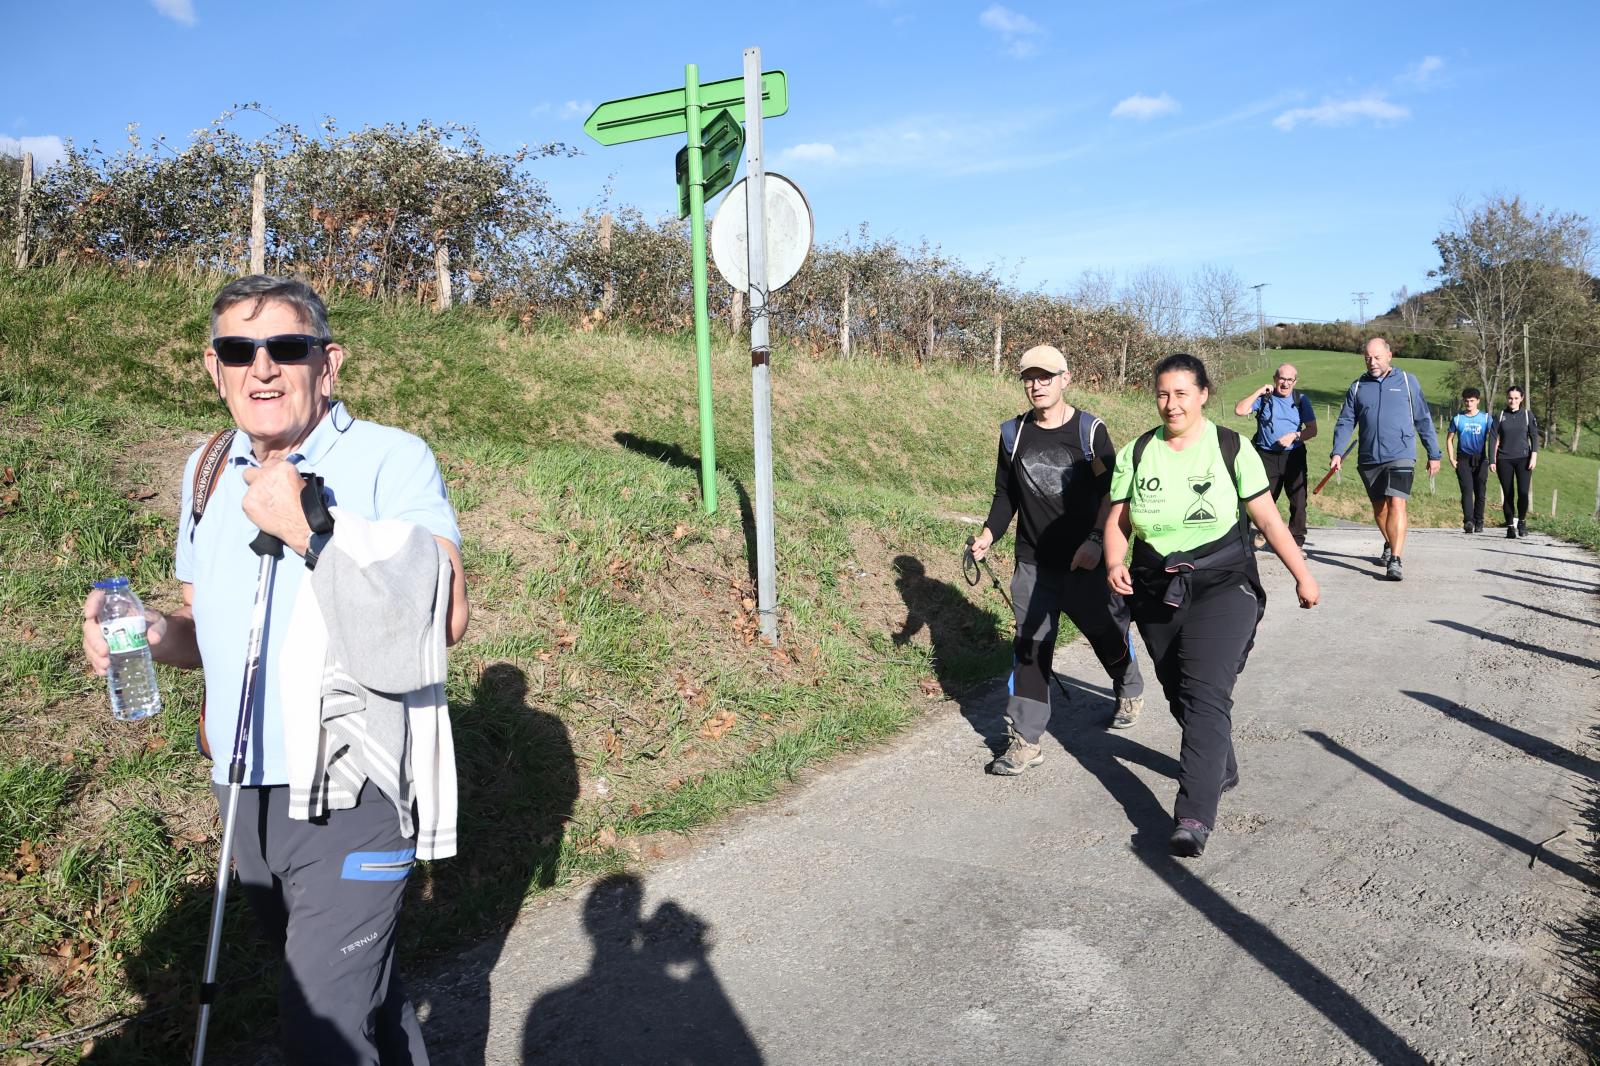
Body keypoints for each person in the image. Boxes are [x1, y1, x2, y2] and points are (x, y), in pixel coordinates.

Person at [80, 276, 469, 1064]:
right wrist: (154, 635)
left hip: (350, 788)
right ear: (213, 368)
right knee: (365, 999)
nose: (262, 368)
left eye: (285, 348)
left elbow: (445, 616)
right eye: (237, 350)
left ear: (327, 364)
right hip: (242, 791)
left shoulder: (390, 459)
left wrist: (307, 527)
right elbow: (217, 637)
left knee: (320, 1031)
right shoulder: (206, 469)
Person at [1105, 353, 1319, 858]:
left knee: (1204, 691)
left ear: (1203, 395)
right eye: (1162, 393)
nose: (1171, 403)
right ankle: (1219, 762)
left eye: (1181, 393)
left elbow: (1267, 519)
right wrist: (1116, 561)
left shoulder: (1230, 447)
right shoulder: (1137, 453)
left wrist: (1302, 575)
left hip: (1224, 585)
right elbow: (1117, 519)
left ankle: (1193, 815)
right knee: (1178, 689)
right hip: (1156, 587)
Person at [970, 344, 1146, 776]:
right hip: (1033, 563)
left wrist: (1094, 540)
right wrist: (989, 534)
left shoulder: (1090, 432)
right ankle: (1026, 740)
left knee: (1105, 632)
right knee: (1030, 649)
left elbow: (1114, 492)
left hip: (1086, 561)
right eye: (1030, 377)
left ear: (1065, 378)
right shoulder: (1013, 433)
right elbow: (1005, 494)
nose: (1037, 384)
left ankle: (1128, 683)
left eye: (1046, 376)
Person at [1327, 337, 1442, 581]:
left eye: (1377, 357)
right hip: (1368, 457)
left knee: (1397, 503)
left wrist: (1434, 453)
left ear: (1389, 356)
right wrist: (1337, 451)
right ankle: (1391, 541)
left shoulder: (1408, 382)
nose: (1372, 362)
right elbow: (1346, 421)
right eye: (1368, 358)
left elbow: (1423, 419)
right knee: (1380, 509)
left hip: (1401, 453)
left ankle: (1396, 559)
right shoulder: (1358, 386)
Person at [1232, 363, 1317, 548]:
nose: (1285, 383)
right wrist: (1260, 391)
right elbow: (1239, 410)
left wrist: (1295, 435)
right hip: (1266, 456)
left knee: (1298, 501)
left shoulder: (1301, 400)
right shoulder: (1264, 399)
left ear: (1295, 381)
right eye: (1281, 379)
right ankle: (1250, 538)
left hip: (1293, 456)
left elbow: (1312, 430)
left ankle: (1296, 543)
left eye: (1289, 380)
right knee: (1261, 498)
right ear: (1274, 379)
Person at [1490, 384, 1539, 538]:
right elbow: (1492, 438)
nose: (1513, 401)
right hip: (1504, 459)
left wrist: (1534, 455)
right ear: (1507, 398)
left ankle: (1522, 522)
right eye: (1510, 398)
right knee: (1508, 494)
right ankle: (1510, 526)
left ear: (1521, 399)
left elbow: (1534, 436)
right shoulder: (1499, 415)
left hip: (1524, 459)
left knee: (1523, 493)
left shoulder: (1527, 415)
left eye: (1516, 398)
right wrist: (1492, 459)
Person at [1447, 387, 1492, 534]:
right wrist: (1452, 458)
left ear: (1478, 401)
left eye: (1472, 401)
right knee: (1466, 490)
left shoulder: (1486, 418)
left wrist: (1493, 458)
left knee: (1480, 491)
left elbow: (1495, 437)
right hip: (1463, 459)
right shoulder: (1458, 418)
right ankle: (1468, 521)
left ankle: (1479, 521)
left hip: (1481, 459)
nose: (1469, 404)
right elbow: (1449, 439)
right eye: (1466, 401)